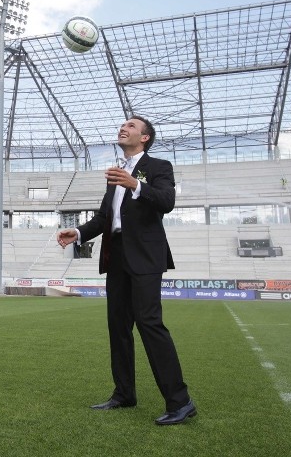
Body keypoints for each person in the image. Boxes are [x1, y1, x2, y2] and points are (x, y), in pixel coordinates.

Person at [57, 116, 195, 425]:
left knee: (150, 324)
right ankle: (124, 393)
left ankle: (180, 401)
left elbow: (167, 201)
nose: (124, 128)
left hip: (146, 256)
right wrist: (77, 233)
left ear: (145, 137)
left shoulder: (159, 167)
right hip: (116, 256)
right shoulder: (114, 175)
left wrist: (136, 184)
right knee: (118, 327)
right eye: (122, 125)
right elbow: (105, 217)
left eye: (131, 126)